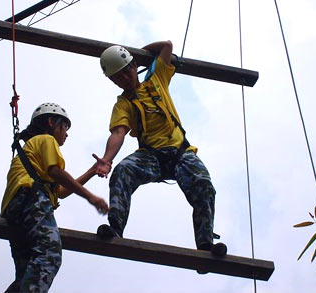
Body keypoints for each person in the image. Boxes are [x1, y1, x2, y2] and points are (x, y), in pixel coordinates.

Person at [93, 41, 227, 259]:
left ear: (134, 66)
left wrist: (139, 53)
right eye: (117, 78)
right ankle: (115, 229)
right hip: (151, 156)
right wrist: (107, 160)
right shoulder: (123, 104)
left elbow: (166, 46)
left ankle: (205, 244)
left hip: (180, 152)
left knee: (203, 185)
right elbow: (118, 133)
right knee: (123, 171)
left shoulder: (157, 79)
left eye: (126, 72)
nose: (124, 80)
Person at [1, 102, 109, 292]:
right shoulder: (45, 139)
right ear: (51, 122)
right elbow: (56, 172)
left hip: (15, 207)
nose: (66, 134)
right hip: (31, 198)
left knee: (27, 271)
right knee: (49, 254)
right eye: (64, 127)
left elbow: (60, 191)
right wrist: (91, 197)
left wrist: (92, 171)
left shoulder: (31, 149)